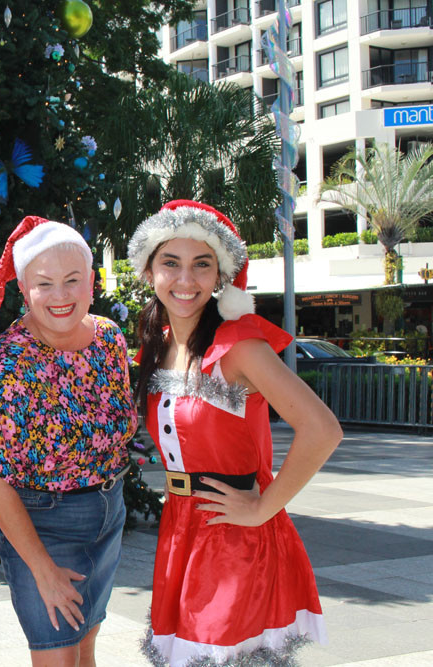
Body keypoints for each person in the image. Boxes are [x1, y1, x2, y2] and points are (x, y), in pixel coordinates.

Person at [128, 200, 342, 666]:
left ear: (220, 275)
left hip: (234, 537)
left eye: (201, 265)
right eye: (171, 263)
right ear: (148, 271)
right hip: (181, 529)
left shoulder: (240, 346)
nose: (186, 280)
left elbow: (322, 429)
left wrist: (265, 506)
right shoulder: (159, 345)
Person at [0, 216, 137, 667]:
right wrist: (42, 570)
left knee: (85, 653)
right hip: (43, 525)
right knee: (58, 659)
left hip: (109, 512)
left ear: (92, 281)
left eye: (72, 280)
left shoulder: (109, 338)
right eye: (45, 284)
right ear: (24, 290)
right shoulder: (13, 358)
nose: (61, 295)